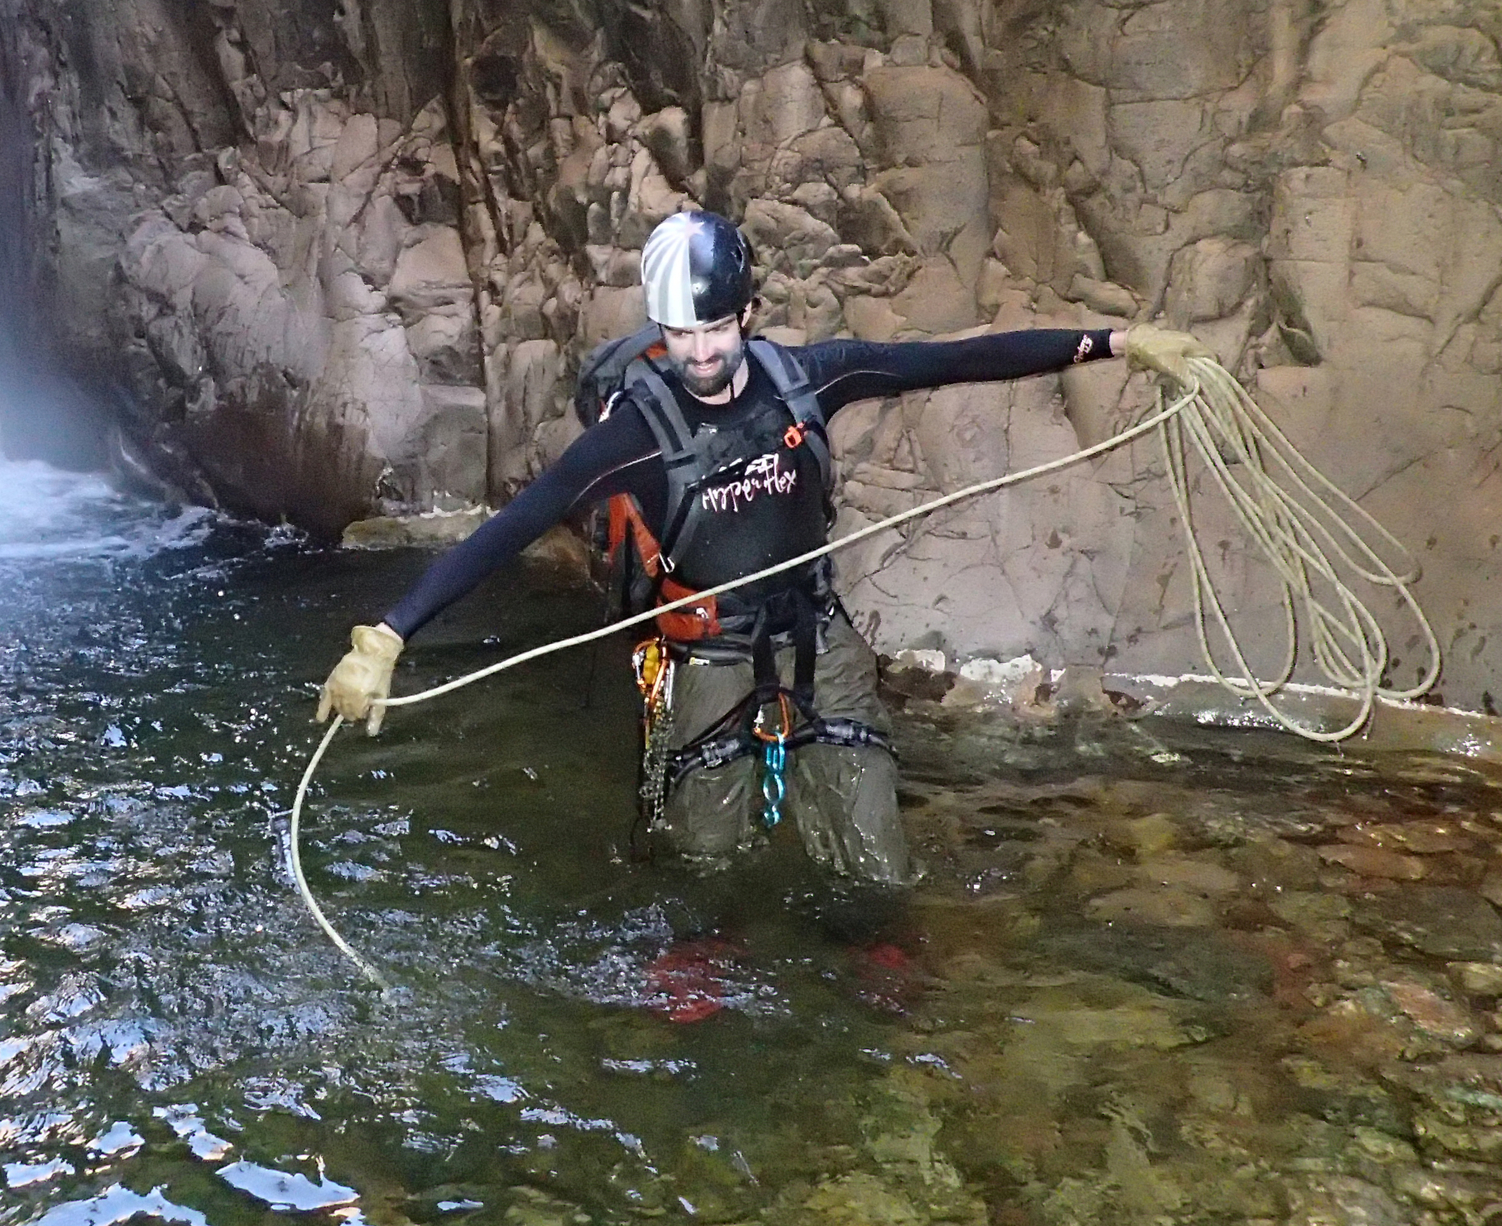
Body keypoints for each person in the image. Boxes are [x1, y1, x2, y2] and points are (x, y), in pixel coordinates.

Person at [316, 208, 1202, 896]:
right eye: (682, 335)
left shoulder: (810, 377)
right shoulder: (632, 434)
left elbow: (952, 361)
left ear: (747, 313)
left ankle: (876, 965)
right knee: (705, 860)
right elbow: (511, 526)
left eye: (716, 329)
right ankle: (699, 981)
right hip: (706, 649)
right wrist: (388, 636)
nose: (700, 355)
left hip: (818, 632)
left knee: (876, 859)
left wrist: (1114, 343)